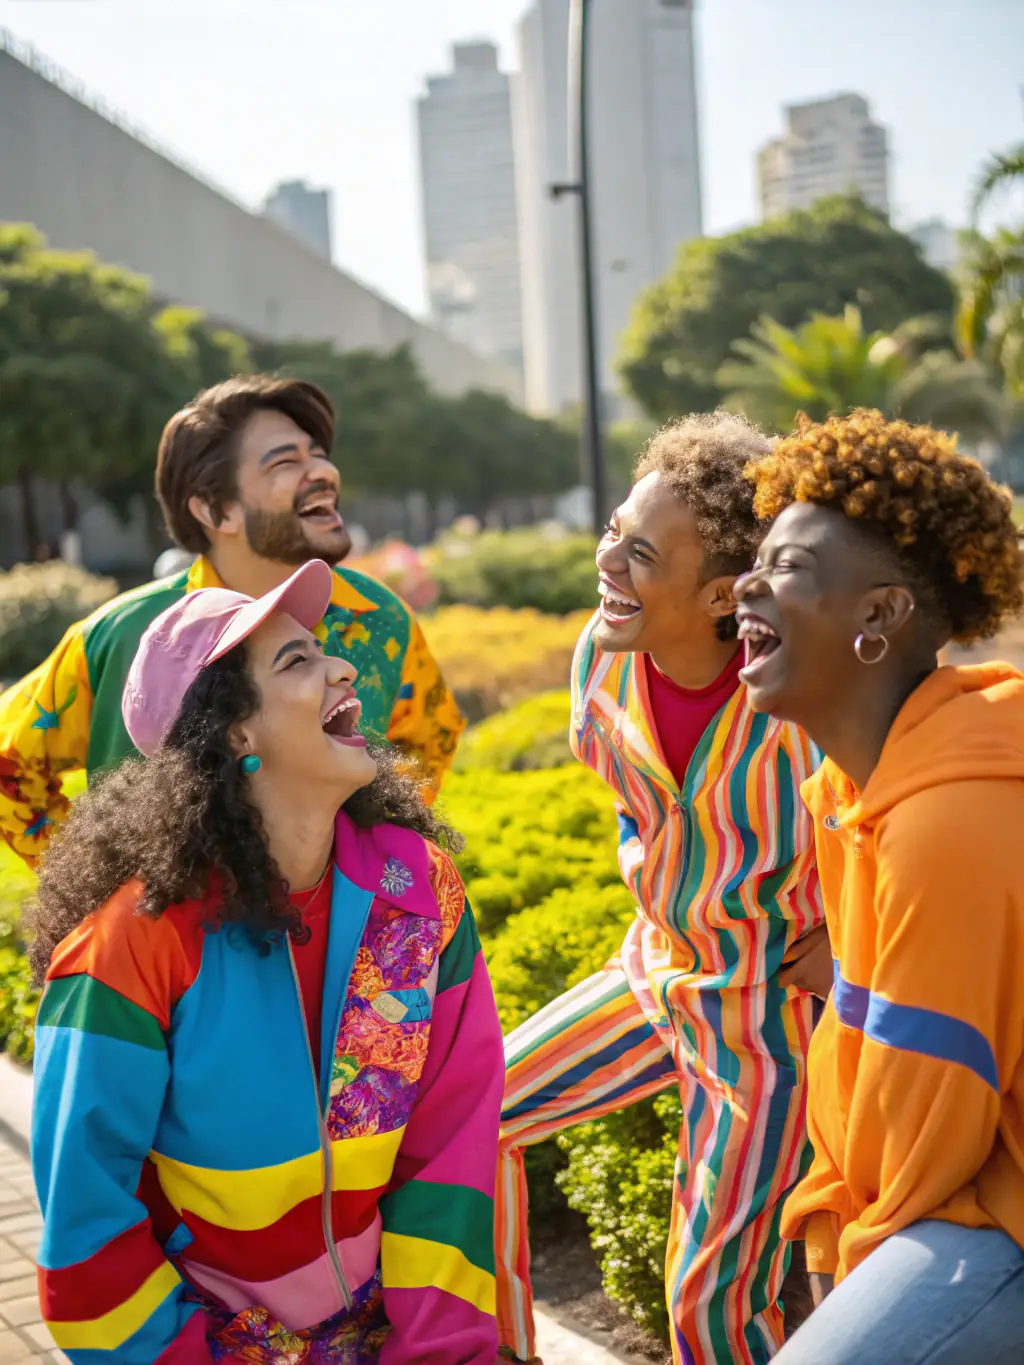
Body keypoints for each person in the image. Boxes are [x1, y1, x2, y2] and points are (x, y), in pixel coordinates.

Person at [29, 559, 503, 1364]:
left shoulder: (419, 892)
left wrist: (437, 1351)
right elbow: (87, 1223)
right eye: (297, 661)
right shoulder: (133, 943)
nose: (343, 667)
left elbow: (451, 1145)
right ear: (234, 732)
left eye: (323, 650)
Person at [496, 415, 831, 1365]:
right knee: (470, 1115)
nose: (608, 558)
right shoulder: (599, 657)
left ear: (724, 592)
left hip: (771, 1025)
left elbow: (895, 830)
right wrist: (656, 876)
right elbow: (631, 796)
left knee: (710, 1310)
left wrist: (847, 940)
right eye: (614, 528)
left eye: (639, 551)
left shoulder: (803, 699)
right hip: (655, 978)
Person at [734, 409, 1024, 1365]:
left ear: (880, 614)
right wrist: (828, 1219)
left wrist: (852, 1259)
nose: (748, 582)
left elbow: (930, 1116)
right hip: (967, 1193)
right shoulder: (858, 794)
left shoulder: (952, 819)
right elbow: (859, 1051)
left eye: (788, 568)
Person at [0, 374, 464, 867]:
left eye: (318, 453)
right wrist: (94, 889)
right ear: (216, 510)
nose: (325, 471)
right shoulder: (120, 634)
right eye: (286, 460)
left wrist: (370, 863)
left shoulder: (382, 619)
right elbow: (9, 765)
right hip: (161, 939)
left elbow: (430, 741)